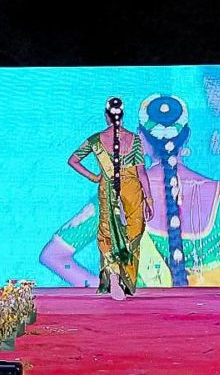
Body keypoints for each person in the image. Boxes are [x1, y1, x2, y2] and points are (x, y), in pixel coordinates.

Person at [42, 95, 220, 289]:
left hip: (139, 328)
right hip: (213, 327)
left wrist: (108, 291)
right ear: (186, 136)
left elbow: (54, 256)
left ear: (140, 137)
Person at [63, 97, 154, 300]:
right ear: (122, 116)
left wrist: (93, 177)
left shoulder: (96, 140)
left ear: (106, 116)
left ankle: (113, 270)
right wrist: (149, 199)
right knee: (134, 231)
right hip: (132, 189)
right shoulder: (135, 140)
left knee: (108, 231)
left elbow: (73, 160)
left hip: (107, 188)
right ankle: (119, 273)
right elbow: (142, 173)